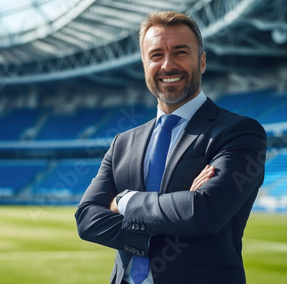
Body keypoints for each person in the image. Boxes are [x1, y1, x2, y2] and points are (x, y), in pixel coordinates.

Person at [75, 11, 266, 284]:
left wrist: (123, 201)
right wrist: (178, 211)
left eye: (180, 52)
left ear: (201, 61)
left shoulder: (239, 132)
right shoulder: (123, 143)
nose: (167, 65)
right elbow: (87, 219)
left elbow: (205, 213)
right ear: (144, 65)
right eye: (156, 55)